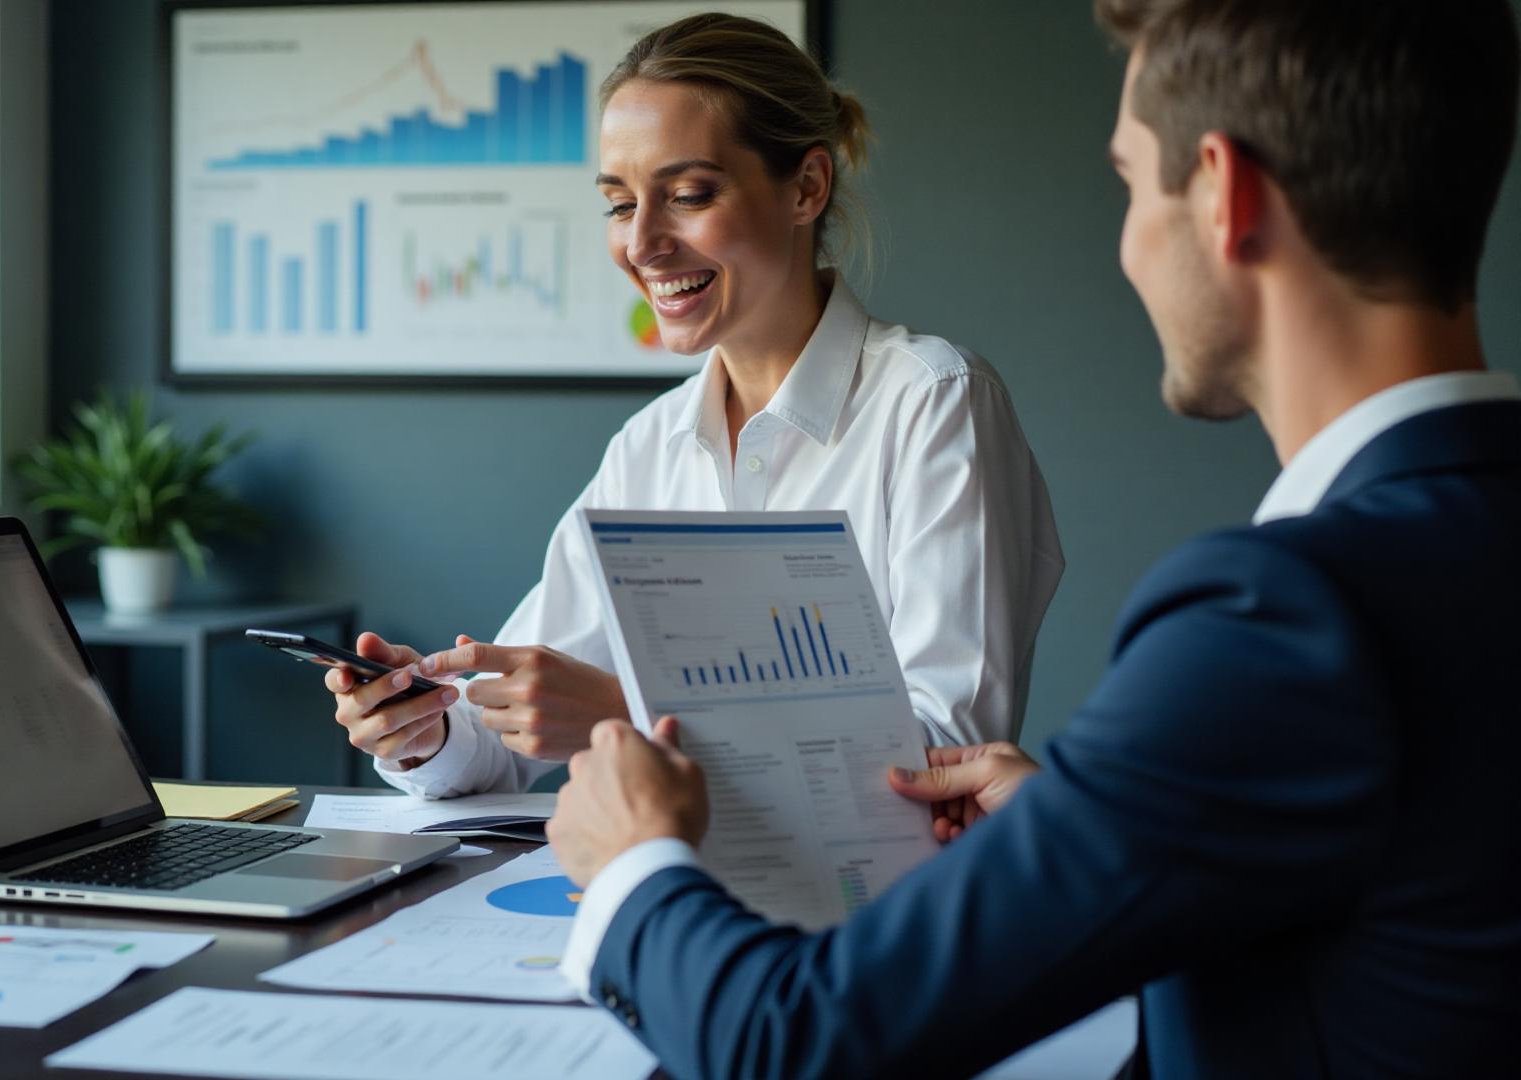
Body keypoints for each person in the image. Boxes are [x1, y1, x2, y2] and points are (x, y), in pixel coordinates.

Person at [545, 0, 1521, 1075]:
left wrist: (638, 865)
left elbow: (795, 1041)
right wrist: (1080, 820)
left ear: (1225, 196)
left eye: (1129, 182)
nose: (1130, 243)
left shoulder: (1282, 624)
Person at [327, 14, 1064, 798]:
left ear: (807, 187)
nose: (642, 243)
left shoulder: (935, 404)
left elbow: (947, 758)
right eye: (618, 204)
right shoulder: (649, 447)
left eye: (686, 195)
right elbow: (502, 742)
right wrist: (427, 724)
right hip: (684, 895)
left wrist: (632, 719)